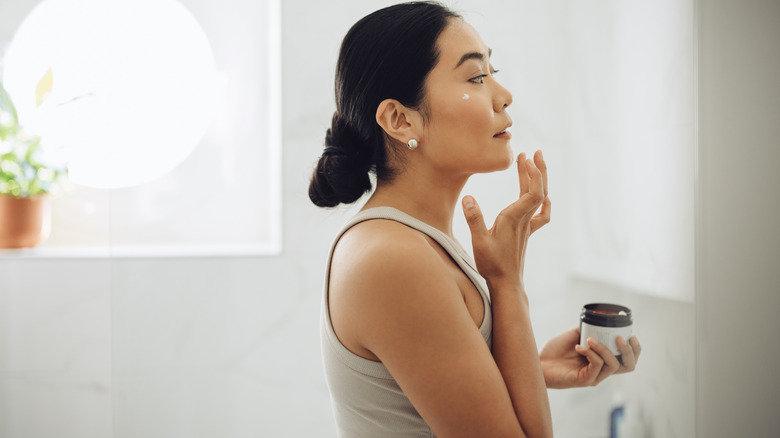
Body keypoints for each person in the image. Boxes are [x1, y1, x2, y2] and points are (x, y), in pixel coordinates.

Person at [309, 2, 641, 437]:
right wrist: (506, 284)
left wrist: (533, 367)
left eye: (492, 71)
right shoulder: (394, 259)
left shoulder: (409, 241)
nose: (503, 95)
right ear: (399, 119)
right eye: (476, 77)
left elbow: (421, 390)